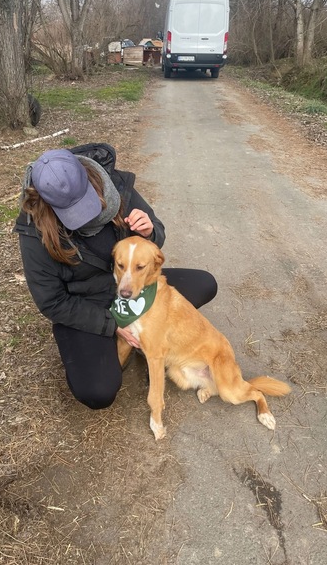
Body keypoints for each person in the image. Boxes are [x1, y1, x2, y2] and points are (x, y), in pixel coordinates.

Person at [14, 146, 217, 410]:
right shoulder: (33, 231)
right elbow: (52, 302)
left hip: (132, 286)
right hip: (87, 304)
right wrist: (113, 324)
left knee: (204, 284)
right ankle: (115, 342)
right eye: (72, 211)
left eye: (85, 202)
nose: (85, 217)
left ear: (89, 176)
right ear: (46, 202)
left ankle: (144, 334)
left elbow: (156, 236)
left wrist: (150, 232)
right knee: (98, 391)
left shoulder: (116, 186)